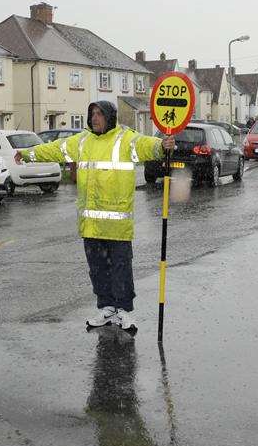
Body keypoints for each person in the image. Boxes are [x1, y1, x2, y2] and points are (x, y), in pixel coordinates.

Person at [14, 101, 175, 333]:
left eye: (100, 114)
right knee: (98, 269)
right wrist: (28, 154)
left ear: (110, 116)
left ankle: (124, 311)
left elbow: (146, 145)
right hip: (91, 225)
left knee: (121, 268)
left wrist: (162, 145)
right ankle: (107, 308)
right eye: (92, 114)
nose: (95, 118)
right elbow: (56, 149)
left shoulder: (124, 138)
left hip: (118, 225)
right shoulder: (82, 141)